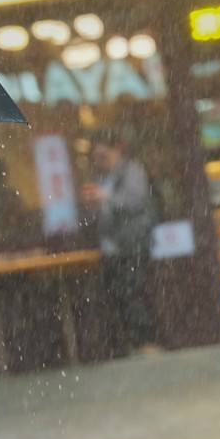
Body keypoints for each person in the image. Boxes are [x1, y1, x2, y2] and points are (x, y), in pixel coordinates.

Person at [78, 128, 159, 355]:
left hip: (131, 244)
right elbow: (95, 216)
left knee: (130, 291)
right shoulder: (101, 179)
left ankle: (146, 342)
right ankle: (132, 342)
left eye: (104, 156)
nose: (101, 162)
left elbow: (135, 201)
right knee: (118, 294)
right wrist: (91, 207)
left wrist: (106, 198)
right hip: (112, 248)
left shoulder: (131, 171)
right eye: (97, 158)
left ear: (117, 150)